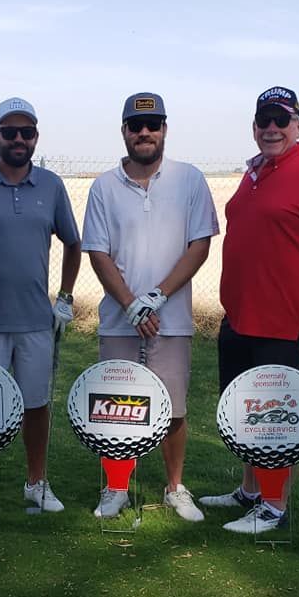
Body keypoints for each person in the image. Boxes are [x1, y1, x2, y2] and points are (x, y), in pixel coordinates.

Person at [199, 86, 299, 534]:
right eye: (263, 120)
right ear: (254, 127)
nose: (271, 128)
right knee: (244, 416)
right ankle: (250, 491)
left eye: (281, 120)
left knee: (277, 421)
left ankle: (274, 507)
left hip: (286, 326)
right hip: (241, 320)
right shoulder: (253, 175)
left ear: (298, 126)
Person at [82, 92, 219, 520]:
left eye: (153, 124)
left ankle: (175, 487)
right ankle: (117, 487)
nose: (145, 132)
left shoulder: (190, 179)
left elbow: (199, 244)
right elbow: (98, 253)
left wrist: (157, 296)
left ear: (164, 130)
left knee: (173, 409)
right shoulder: (104, 186)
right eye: (136, 126)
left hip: (171, 321)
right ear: (124, 131)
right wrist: (130, 305)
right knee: (115, 410)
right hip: (120, 322)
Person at [0, 97, 81, 518]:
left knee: (36, 405)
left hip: (34, 319)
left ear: (35, 137)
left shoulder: (50, 185)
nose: (18, 139)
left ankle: (36, 482)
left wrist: (65, 297)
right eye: (9, 132)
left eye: (26, 132)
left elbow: (72, 241)